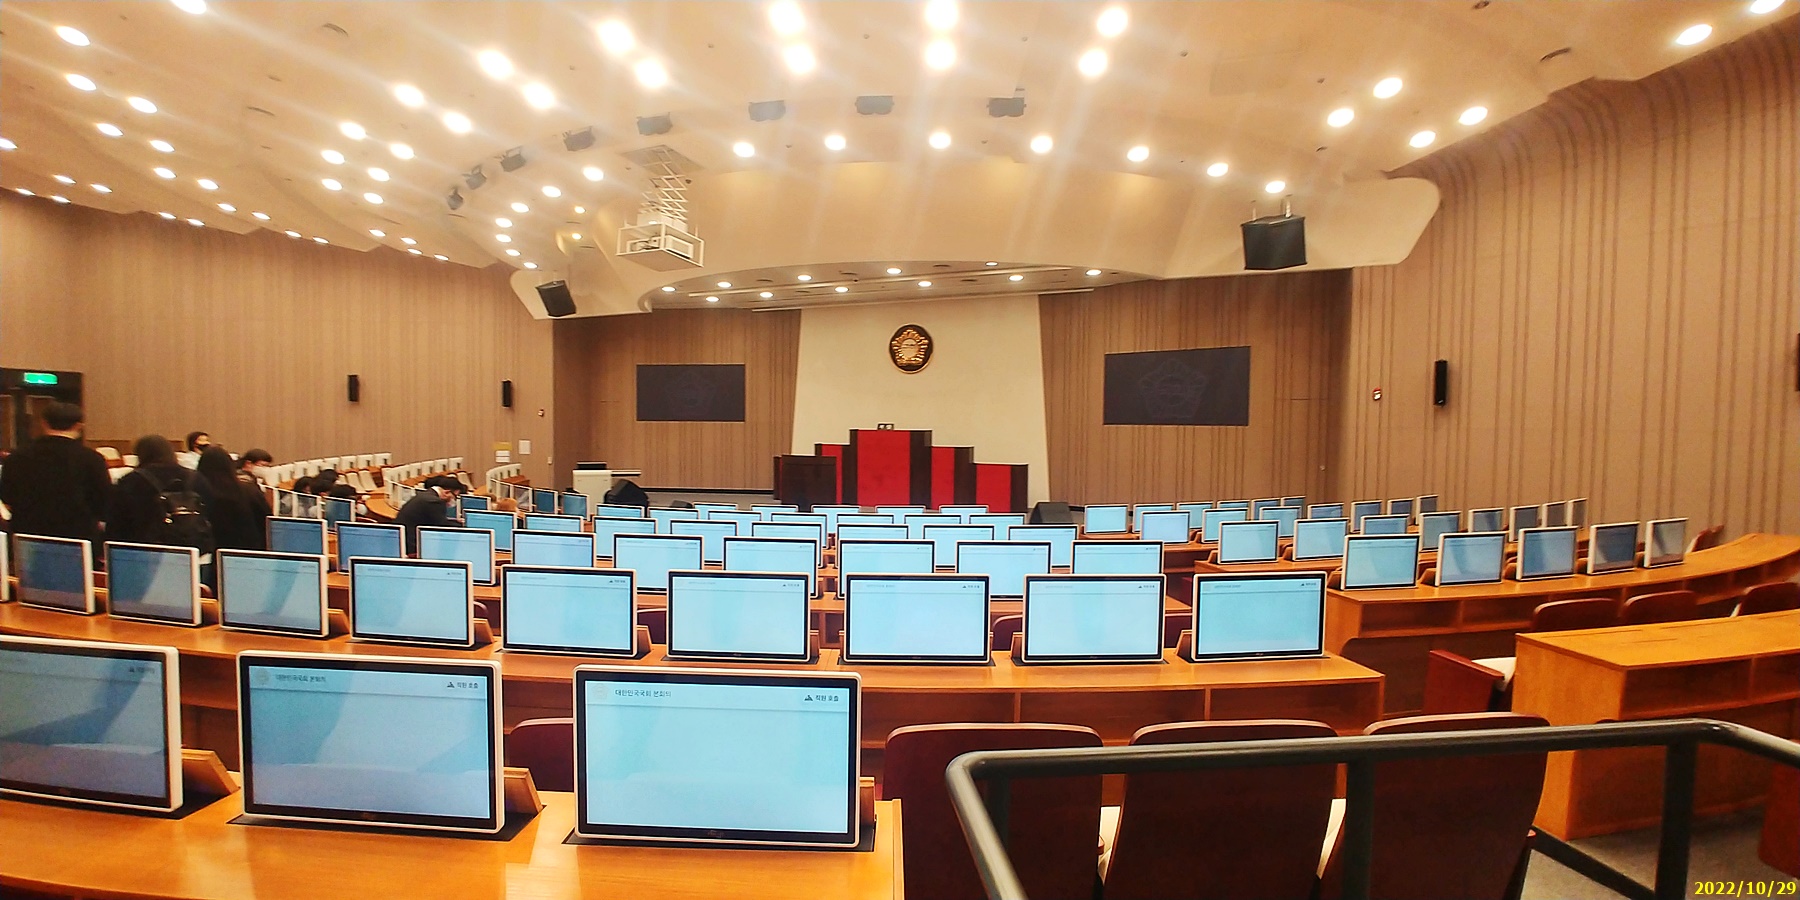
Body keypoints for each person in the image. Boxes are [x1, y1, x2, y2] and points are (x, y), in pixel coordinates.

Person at [0, 402, 111, 544]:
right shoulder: (91, 458)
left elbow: (7, 498)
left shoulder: (16, 457)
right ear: (79, 425)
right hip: (77, 536)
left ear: (43, 423)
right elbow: (103, 502)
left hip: (27, 535)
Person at [107, 435, 213, 552]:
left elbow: (116, 522)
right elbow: (210, 510)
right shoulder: (196, 477)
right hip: (192, 548)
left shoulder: (131, 481)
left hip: (144, 549)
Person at [195, 446, 267, 551]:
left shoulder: (195, 493)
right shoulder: (249, 490)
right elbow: (266, 520)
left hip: (208, 550)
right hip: (246, 550)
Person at [394, 475, 462, 553]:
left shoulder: (426, 494)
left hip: (402, 540)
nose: (454, 500)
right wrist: (464, 526)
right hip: (412, 546)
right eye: (455, 496)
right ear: (446, 492)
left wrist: (455, 521)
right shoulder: (434, 501)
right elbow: (442, 526)